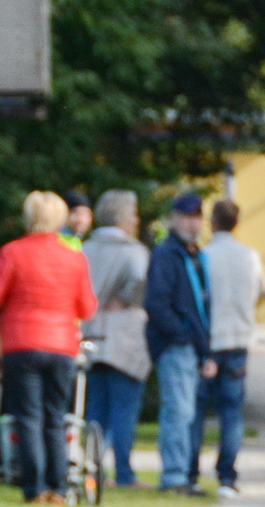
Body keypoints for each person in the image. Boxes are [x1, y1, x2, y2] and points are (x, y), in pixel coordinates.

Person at [0, 191, 99, 504]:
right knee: (56, 416)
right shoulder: (74, 258)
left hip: (21, 344)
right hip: (61, 346)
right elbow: (87, 307)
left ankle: (34, 489)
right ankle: (58, 489)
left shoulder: (12, 253)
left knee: (28, 417)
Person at [194, 199, 265, 498]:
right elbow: (262, 289)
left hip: (209, 341)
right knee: (231, 412)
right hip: (238, 339)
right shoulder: (249, 256)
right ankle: (227, 476)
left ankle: (191, 471)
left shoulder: (203, 256)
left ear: (212, 222)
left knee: (197, 411)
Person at [81, 189, 153, 487]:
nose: (136, 220)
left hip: (90, 335)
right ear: (123, 217)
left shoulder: (85, 248)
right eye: (133, 214)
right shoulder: (134, 251)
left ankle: (92, 470)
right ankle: (124, 472)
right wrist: (125, 299)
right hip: (124, 338)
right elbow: (139, 279)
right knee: (125, 408)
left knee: (95, 409)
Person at [145, 192, 215, 494]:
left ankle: (184, 474)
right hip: (175, 345)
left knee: (186, 413)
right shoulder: (166, 254)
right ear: (174, 218)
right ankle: (174, 476)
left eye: (197, 216)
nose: (192, 222)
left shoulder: (194, 255)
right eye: (187, 216)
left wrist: (204, 349)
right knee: (179, 411)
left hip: (191, 345)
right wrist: (182, 335)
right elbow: (157, 303)